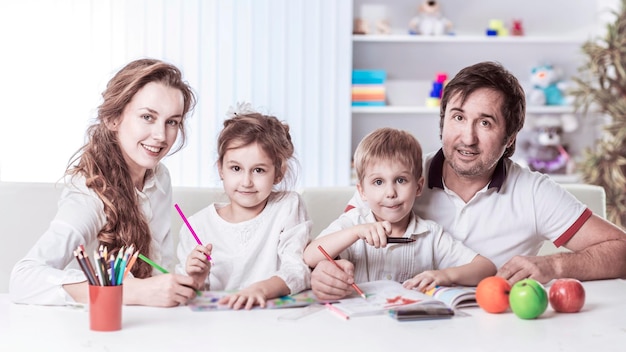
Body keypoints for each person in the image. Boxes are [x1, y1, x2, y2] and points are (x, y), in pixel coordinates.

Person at [311, 61, 626, 300]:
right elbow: (339, 243)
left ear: (510, 138)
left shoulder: (533, 192)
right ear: (443, 119)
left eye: (485, 123)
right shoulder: (400, 179)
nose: (467, 138)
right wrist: (325, 272)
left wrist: (553, 267)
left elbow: (621, 249)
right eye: (458, 117)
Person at [9, 58, 198, 307]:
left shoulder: (159, 176)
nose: (161, 136)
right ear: (113, 119)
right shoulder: (89, 194)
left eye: (172, 121)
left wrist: (186, 280)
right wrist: (130, 291)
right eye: (147, 117)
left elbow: (158, 273)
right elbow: (23, 279)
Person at [303, 128, 496, 293]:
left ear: (418, 187)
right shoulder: (353, 224)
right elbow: (310, 256)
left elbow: (486, 268)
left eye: (401, 180)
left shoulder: (430, 234)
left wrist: (443, 275)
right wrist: (355, 233)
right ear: (361, 190)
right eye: (378, 182)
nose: (390, 193)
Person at [176, 104, 311, 310]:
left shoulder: (287, 206)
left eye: (258, 170)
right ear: (221, 168)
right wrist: (196, 279)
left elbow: (298, 271)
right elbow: (184, 295)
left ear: (278, 173)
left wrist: (261, 289)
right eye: (236, 168)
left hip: (271, 321)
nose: (246, 181)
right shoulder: (196, 226)